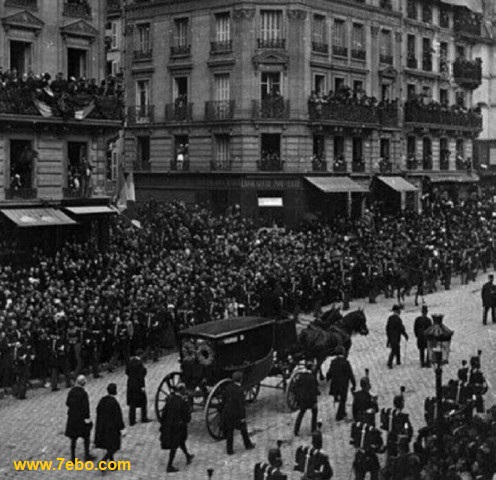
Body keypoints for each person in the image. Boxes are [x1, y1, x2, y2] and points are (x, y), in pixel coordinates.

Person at [159, 383, 194, 473]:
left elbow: (164, 413)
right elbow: (187, 417)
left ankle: (187, 455)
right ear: (181, 390)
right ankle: (169, 466)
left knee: (180, 441)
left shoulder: (170, 399)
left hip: (169, 425)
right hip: (178, 427)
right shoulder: (182, 402)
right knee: (174, 446)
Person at [221, 371, 255, 455]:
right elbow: (241, 405)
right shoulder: (240, 391)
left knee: (230, 432)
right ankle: (248, 445)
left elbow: (224, 399)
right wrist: (243, 417)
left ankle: (229, 450)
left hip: (228, 413)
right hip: (237, 414)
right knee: (243, 430)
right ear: (240, 380)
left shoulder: (228, 387)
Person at [65, 375, 94, 462]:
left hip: (72, 418)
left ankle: (73, 457)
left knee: (73, 438)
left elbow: (67, 403)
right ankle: (87, 454)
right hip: (81, 419)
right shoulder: (83, 393)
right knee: (86, 436)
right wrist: (88, 418)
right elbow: (86, 408)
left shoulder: (71, 392)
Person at [94, 383, 125, 464]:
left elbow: (97, 410)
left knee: (108, 446)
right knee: (114, 447)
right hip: (112, 429)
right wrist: (122, 428)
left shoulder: (102, 400)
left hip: (103, 427)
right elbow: (118, 417)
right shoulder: (114, 403)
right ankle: (103, 461)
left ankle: (112, 463)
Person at [326, 346, 356, 421]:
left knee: (340, 398)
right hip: (343, 384)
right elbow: (350, 374)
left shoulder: (333, 362)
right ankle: (339, 415)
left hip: (335, 383)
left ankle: (342, 412)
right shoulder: (346, 362)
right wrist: (354, 384)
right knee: (343, 399)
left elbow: (330, 372)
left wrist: (328, 378)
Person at [293, 361, 320, 436]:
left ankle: (296, 430)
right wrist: (315, 402)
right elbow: (313, 391)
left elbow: (295, 387)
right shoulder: (312, 377)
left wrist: (298, 397)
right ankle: (313, 429)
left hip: (302, 400)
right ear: (311, 368)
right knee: (315, 412)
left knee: (301, 413)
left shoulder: (301, 376)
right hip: (310, 400)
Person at [125, 349, 149, 426]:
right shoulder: (139, 364)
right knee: (143, 401)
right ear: (141, 355)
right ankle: (144, 417)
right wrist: (142, 386)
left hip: (131, 384)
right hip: (138, 385)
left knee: (132, 403)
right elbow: (141, 376)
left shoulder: (130, 361)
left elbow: (127, 372)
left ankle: (132, 420)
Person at [386, 305, 408, 369]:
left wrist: (388, 336)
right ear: (397, 311)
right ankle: (389, 363)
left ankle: (398, 360)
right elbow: (401, 328)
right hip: (396, 336)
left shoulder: (390, 318)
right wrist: (405, 335)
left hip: (391, 335)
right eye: (399, 310)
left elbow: (387, 328)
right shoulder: (398, 319)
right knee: (394, 349)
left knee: (397, 347)